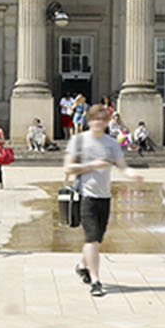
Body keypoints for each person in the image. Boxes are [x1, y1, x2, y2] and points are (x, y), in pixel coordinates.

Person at [63, 103, 140, 297]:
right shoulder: (78, 141)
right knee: (92, 238)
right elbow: (68, 169)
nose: (98, 122)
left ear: (107, 122)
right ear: (89, 120)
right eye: (94, 119)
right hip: (85, 197)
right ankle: (95, 280)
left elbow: (122, 166)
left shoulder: (112, 143)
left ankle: (82, 265)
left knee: (96, 238)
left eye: (102, 119)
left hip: (105, 197)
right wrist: (91, 165)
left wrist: (132, 175)